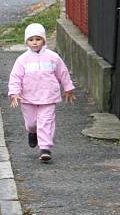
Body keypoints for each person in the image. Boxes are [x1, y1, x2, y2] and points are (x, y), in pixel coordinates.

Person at [8, 23, 75, 163]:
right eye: (31, 39)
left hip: (48, 97)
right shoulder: (22, 60)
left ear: (43, 40)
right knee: (32, 123)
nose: (34, 42)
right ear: (26, 41)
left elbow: (62, 73)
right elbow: (15, 77)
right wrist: (14, 93)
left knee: (45, 121)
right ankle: (32, 133)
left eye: (38, 39)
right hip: (28, 97)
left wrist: (68, 88)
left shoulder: (53, 57)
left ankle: (45, 148)